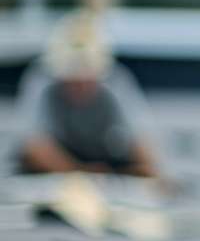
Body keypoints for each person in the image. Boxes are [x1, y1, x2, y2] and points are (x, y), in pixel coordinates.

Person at [13, 12, 160, 179]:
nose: (80, 88)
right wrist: (82, 173)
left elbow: (141, 143)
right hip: (52, 176)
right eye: (72, 81)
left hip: (102, 174)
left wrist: (151, 174)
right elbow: (33, 146)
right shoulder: (41, 80)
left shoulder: (116, 82)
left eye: (86, 81)